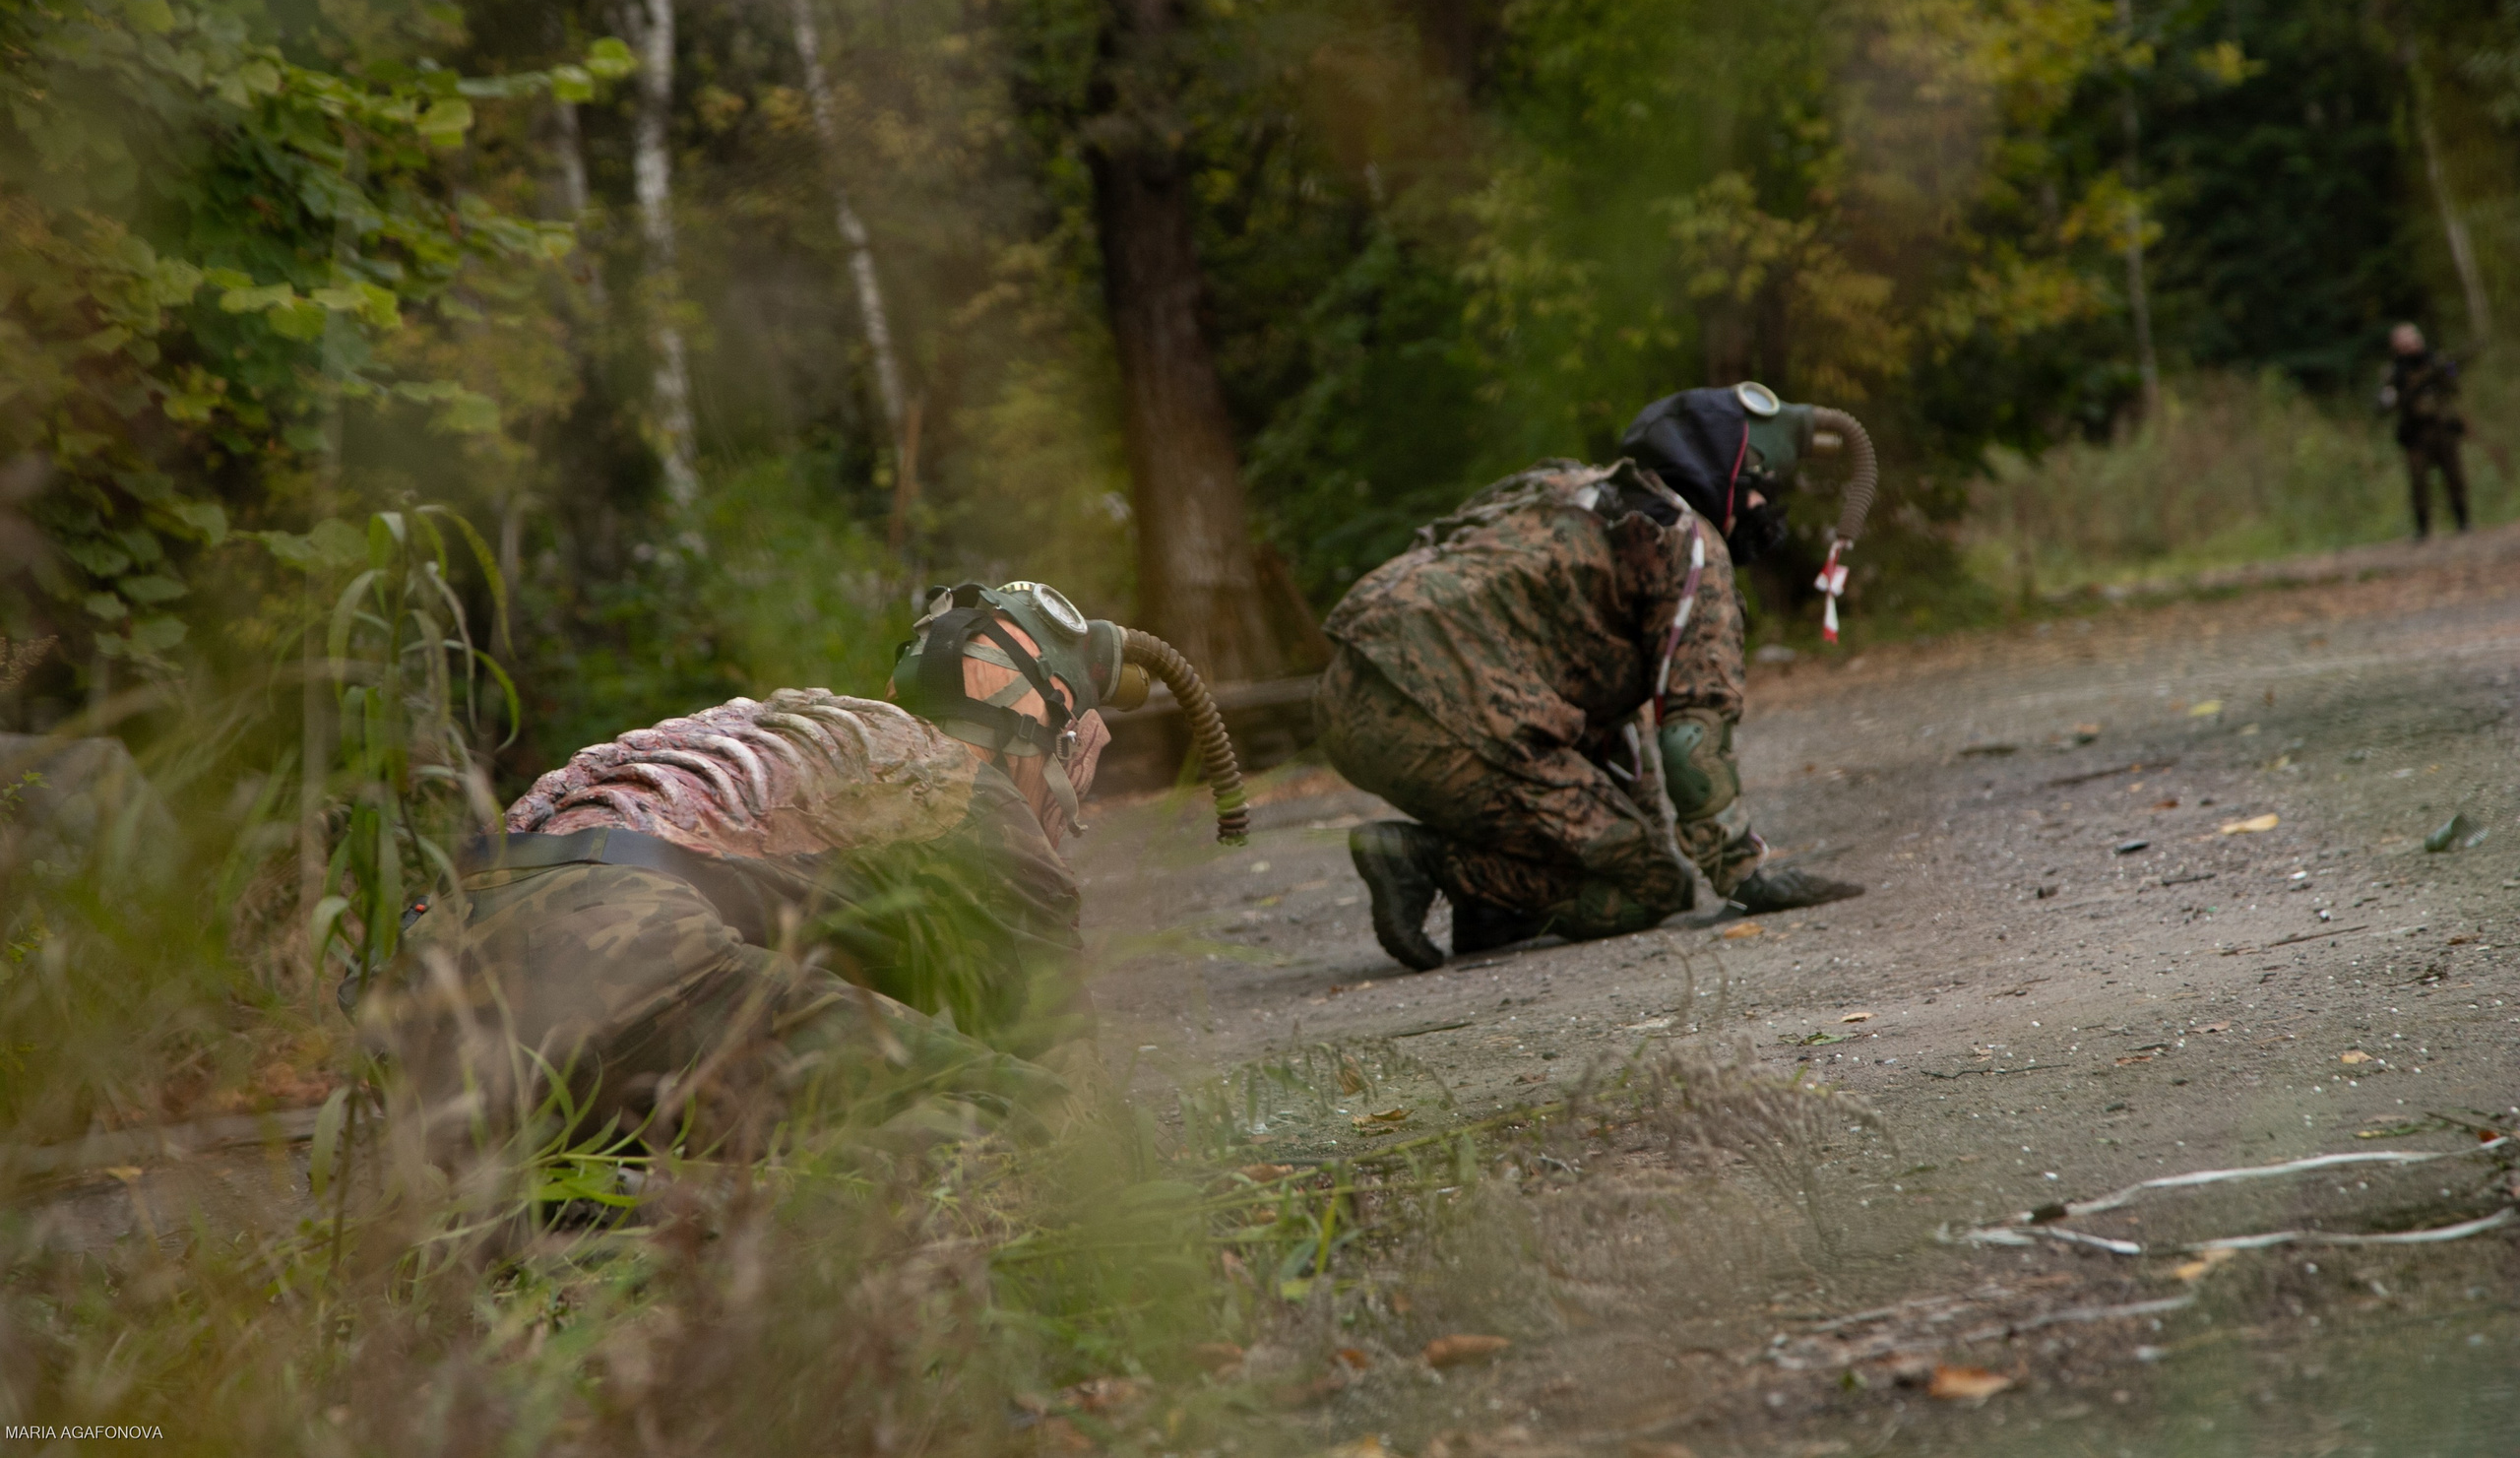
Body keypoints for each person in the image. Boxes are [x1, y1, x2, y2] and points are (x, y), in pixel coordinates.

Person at [365, 581, 1246, 1168]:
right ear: (1046, 739)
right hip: (621, 947)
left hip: (434, 983)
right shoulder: (965, 789)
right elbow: (1068, 1083)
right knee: (1028, 1125)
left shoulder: (824, 737)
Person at [1313, 384, 1870, 972]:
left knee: (1617, 846)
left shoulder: (1568, 495)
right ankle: (1429, 861)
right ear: (1730, 471)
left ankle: (1492, 908)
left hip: (1346, 696)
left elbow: (1616, 750)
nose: (1764, 508)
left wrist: (1637, 833)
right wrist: (1743, 873)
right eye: (1760, 487)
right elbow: (1689, 737)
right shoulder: (1689, 543)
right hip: (1444, 708)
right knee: (1655, 886)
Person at [2376, 322, 2469, 538]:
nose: (2410, 344)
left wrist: (2449, 369)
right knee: (2418, 481)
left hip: (2442, 426)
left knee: (2454, 474)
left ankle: (2463, 520)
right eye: (2404, 341)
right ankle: (2422, 527)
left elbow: (2454, 379)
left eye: (2412, 338)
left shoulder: (2436, 360)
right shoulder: (2393, 372)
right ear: (2396, 345)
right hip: (2415, 432)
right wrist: (2397, 395)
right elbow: (2383, 403)